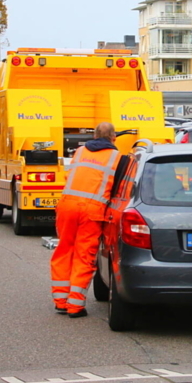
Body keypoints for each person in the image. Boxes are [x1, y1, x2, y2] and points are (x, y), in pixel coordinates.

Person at [51, 122, 129, 317]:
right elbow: (118, 189)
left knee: (64, 250)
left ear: (94, 136)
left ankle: (60, 301)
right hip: (92, 210)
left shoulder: (79, 151)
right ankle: (75, 306)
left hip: (66, 205)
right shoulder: (117, 157)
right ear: (114, 138)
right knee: (83, 255)